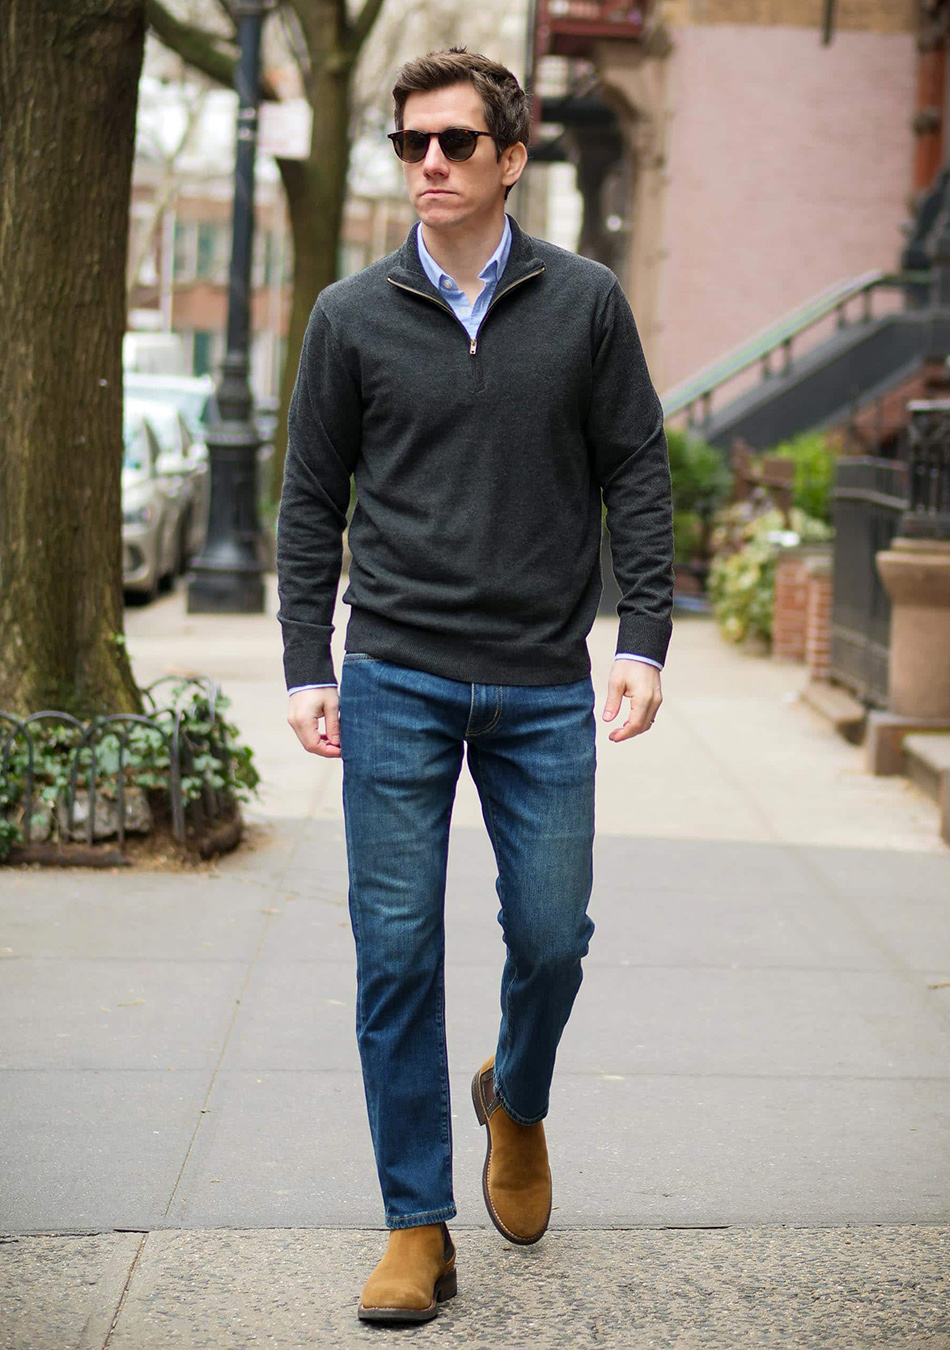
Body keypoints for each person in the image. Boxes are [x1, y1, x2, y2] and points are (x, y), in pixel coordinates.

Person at [277, 46, 674, 1325]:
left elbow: (638, 473)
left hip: (540, 685)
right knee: (393, 954)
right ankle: (413, 1223)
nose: (429, 165)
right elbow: (305, 504)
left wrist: (644, 638)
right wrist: (304, 662)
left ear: (510, 158)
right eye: (409, 146)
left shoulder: (588, 302)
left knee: (551, 941)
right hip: (392, 669)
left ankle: (520, 1097)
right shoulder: (348, 315)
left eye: (454, 143)